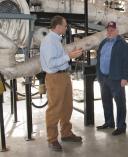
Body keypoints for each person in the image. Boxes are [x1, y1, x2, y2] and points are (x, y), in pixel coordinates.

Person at [40, 15, 83, 151]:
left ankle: (66, 133)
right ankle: (52, 139)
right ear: (58, 26)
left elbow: (58, 58)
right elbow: (51, 63)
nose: (66, 28)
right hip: (55, 77)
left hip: (63, 75)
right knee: (54, 109)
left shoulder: (57, 40)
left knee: (67, 106)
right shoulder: (49, 41)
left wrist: (70, 55)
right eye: (65, 25)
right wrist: (69, 56)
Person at [96, 21, 128, 136]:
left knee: (120, 103)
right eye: (108, 30)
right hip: (104, 77)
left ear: (117, 31)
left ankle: (121, 126)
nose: (109, 32)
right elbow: (99, 59)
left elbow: (127, 61)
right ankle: (109, 122)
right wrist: (99, 75)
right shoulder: (103, 43)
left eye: (112, 30)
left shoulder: (122, 43)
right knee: (106, 101)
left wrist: (125, 77)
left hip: (116, 78)